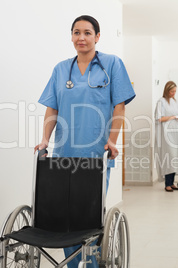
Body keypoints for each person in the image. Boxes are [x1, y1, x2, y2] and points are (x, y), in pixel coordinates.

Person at [34, 15, 135, 268]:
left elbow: (119, 106)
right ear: (71, 37)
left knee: (89, 214)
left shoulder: (112, 64)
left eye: (87, 32)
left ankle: (90, 264)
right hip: (64, 152)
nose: (81, 37)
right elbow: (52, 109)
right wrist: (45, 139)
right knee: (66, 214)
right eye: (76, 32)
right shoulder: (60, 69)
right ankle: (71, 263)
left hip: (96, 154)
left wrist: (112, 142)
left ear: (97, 37)